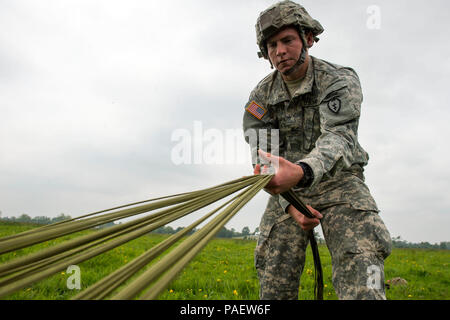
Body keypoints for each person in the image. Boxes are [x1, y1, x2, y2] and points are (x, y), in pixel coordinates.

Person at [242, 0, 392, 300]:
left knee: (362, 267)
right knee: (273, 278)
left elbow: (339, 137)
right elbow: (263, 160)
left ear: (308, 39)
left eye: (287, 40)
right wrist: (289, 204)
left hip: (340, 183)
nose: (279, 51)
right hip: (288, 192)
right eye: (271, 45)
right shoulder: (261, 96)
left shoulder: (338, 79)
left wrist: (302, 171)